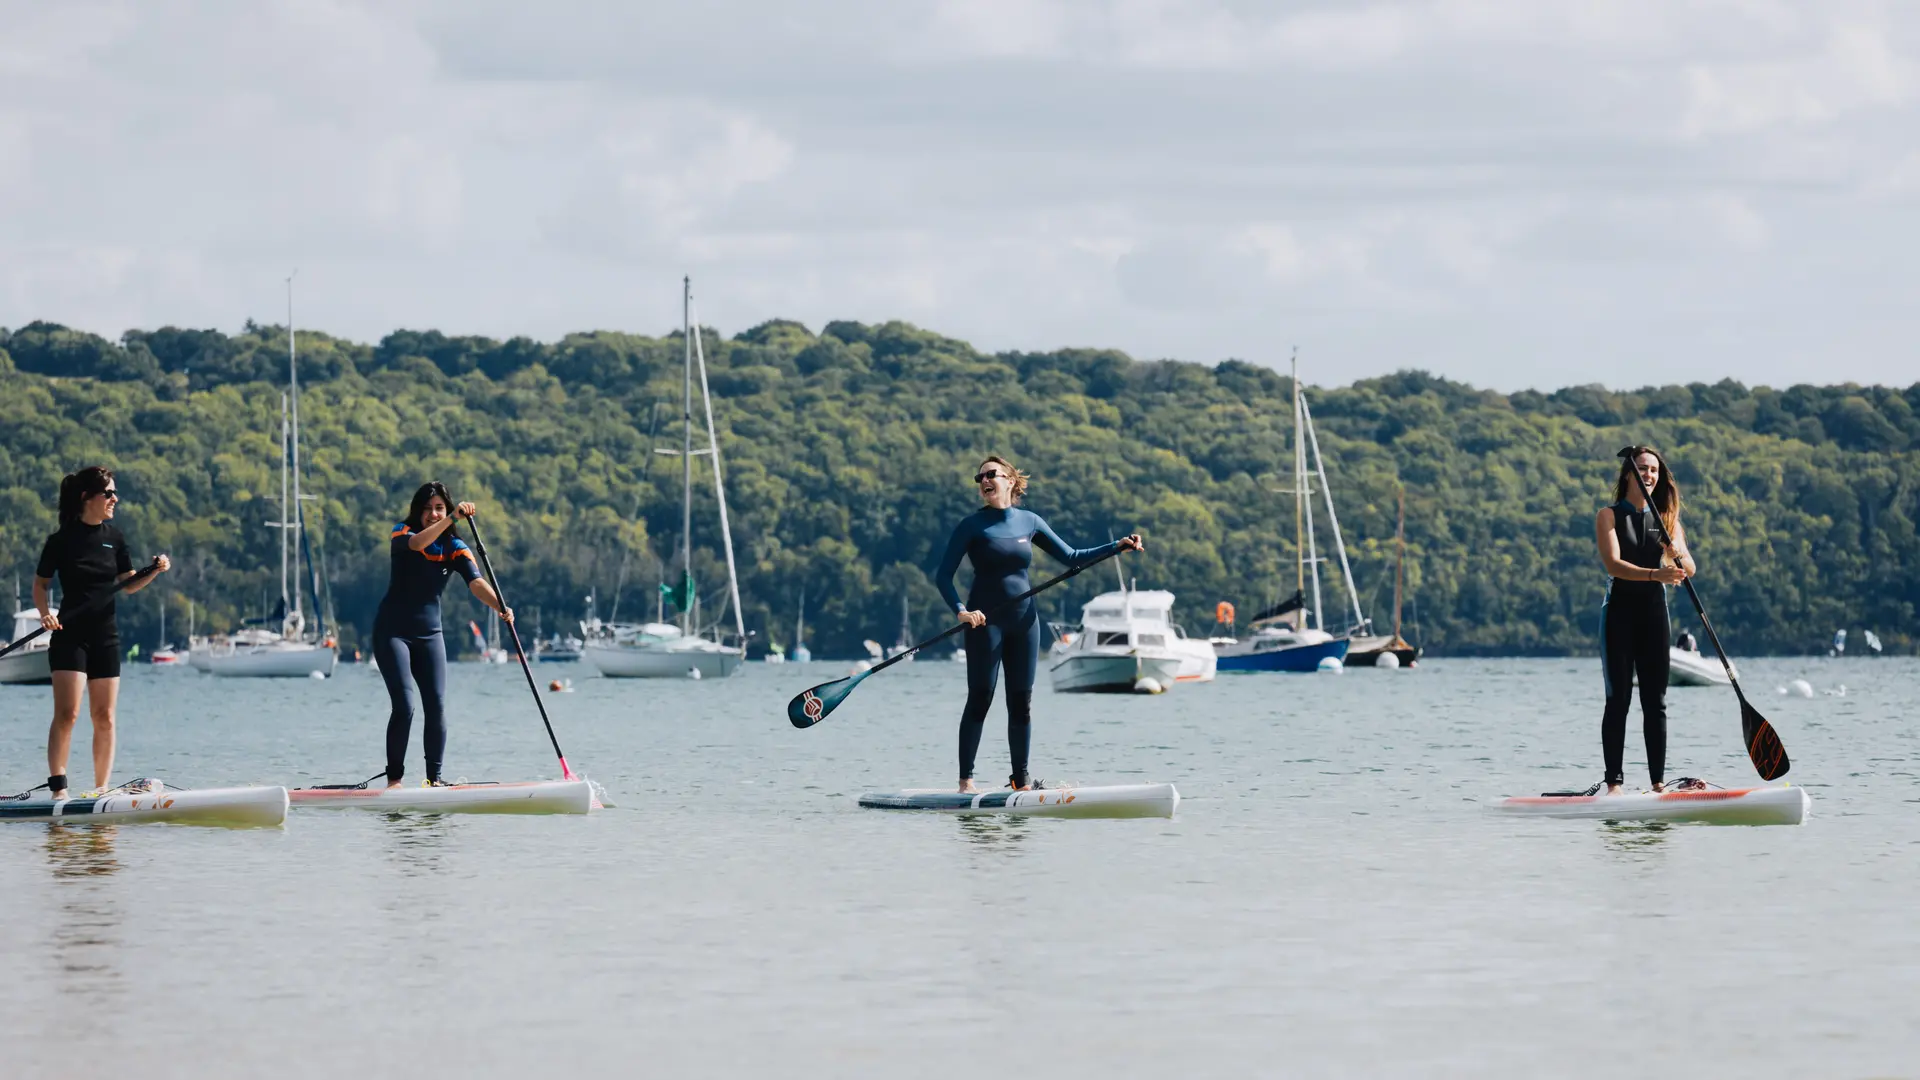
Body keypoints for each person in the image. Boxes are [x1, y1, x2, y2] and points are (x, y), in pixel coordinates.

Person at [934, 456, 1142, 793]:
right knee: (981, 698)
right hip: (984, 623)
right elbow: (943, 576)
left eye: (990, 475)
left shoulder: (1029, 521)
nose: (983, 481)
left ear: (1010, 480)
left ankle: (1021, 782)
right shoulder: (971, 526)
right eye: (979, 477)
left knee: (1021, 702)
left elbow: (1072, 557)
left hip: (1025, 623)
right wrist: (962, 611)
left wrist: (1116, 547)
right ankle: (966, 782)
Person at [34, 466, 170, 799]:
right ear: (87, 498)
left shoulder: (116, 538)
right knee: (68, 714)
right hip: (69, 635)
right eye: (108, 493)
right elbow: (41, 584)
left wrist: (155, 570)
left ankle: (100, 790)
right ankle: (59, 790)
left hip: (105, 636)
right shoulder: (61, 540)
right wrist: (45, 615)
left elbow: (129, 585)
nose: (115, 499)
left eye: (114, 493)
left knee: (105, 716)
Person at [375, 482, 512, 788]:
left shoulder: (455, 549)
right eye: (427, 509)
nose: (433, 514)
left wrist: (502, 606)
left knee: (436, 705)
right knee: (405, 705)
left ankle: (433, 781)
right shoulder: (403, 533)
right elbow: (418, 546)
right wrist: (452, 518)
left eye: (439, 508)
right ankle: (394, 781)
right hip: (392, 632)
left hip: (429, 635)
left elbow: (476, 583)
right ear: (417, 511)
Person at [1593, 446, 1693, 795]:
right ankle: (1614, 785)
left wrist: (1674, 552)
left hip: (1654, 617)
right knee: (1618, 699)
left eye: (1653, 470)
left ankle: (1658, 784)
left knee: (1656, 702)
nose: (1649, 475)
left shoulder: (1667, 520)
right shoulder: (1609, 516)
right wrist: (1656, 574)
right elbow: (1614, 565)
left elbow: (1689, 568)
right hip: (1619, 615)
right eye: (1642, 469)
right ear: (1627, 475)